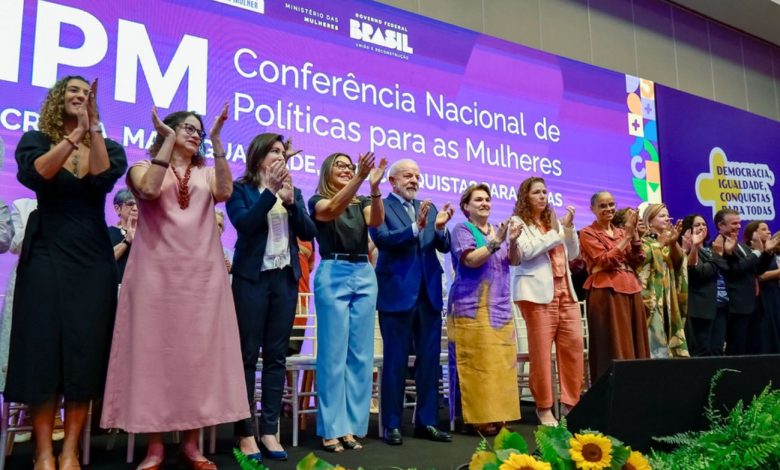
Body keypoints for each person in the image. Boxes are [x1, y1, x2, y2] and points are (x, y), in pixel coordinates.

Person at [100, 105, 248, 470]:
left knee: (196, 359)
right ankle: (155, 447)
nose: (195, 134)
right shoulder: (141, 167)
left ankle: (192, 446)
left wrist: (217, 141)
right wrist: (166, 142)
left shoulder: (206, 172)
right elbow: (150, 190)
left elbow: (225, 191)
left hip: (202, 279)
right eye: (187, 128)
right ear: (167, 130)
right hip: (155, 277)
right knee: (155, 358)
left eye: (199, 130)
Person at [6, 75, 127, 470]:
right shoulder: (35, 140)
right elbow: (39, 173)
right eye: (73, 90)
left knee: (85, 351)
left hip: (92, 257)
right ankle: (43, 450)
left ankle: (71, 448)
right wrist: (74, 136)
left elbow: (102, 177)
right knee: (42, 349)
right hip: (46, 251)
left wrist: (92, 130)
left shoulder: (108, 146)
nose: (80, 96)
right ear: (59, 99)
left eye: (86, 93)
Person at [226, 133, 317, 462]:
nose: (280, 155)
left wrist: (290, 203)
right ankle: (245, 431)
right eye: (273, 151)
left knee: (277, 357)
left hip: (284, 281)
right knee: (247, 356)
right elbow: (245, 224)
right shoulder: (241, 189)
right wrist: (270, 192)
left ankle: (269, 429)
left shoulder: (294, 191)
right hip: (252, 280)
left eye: (282, 151)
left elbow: (309, 232)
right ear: (258, 157)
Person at [368, 159, 454, 445]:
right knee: (395, 362)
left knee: (429, 363)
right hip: (397, 294)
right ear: (392, 181)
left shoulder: (428, 208)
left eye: (417, 176)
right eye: (408, 175)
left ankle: (426, 422)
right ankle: (392, 424)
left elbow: (443, 246)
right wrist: (416, 228)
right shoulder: (381, 206)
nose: (414, 180)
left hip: (429, 295)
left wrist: (440, 229)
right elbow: (382, 238)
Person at [309, 151, 386, 452]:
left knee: (361, 355)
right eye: (339, 165)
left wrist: (375, 189)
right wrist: (360, 177)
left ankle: (351, 427)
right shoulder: (317, 199)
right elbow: (330, 210)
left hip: (364, 271)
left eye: (350, 166)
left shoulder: (362, 200)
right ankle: (332, 427)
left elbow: (376, 221)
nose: (346, 169)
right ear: (327, 170)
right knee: (333, 354)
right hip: (333, 270)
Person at [447, 184, 520, 435]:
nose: (484, 203)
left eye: (487, 199)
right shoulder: (462, 229)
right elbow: (470, 260)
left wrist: (513, 242)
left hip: (500, 308)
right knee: (476, 364)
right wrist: (496, 241)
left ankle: (499, 413)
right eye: (478, 199)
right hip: (470, 307)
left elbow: (514, 261)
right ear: (466, 206)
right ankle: (477, 417)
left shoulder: (497, 230)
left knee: (500, 364)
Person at [512, 177, 583, 426]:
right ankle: (544, 407)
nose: (543, 196)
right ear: (526, 196)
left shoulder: (553, 222)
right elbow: (526, 252)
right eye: (536, 192)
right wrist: (555, 232)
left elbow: (573, 254)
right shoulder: (518, 222)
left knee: (574, 347)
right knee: (541, 354)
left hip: (566, 292)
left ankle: (570, 404)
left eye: (544, 192)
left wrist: (569, 229)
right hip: (537, 295)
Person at [578, 192, 649, 383]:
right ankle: (614, 387)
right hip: (606, 290)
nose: (608, 209)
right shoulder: (587, 232)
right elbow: (604, 260)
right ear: (592, 209)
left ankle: (638, 384)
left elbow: (637, 259)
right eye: (602, 206)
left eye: (611, 204)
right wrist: (626, 238)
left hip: (631, 287)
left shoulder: (620, 232)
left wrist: (634, 236)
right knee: (613, 342)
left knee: (636, 341)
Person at [713, 209, 777, 356]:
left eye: (739, 223)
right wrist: (757, 252)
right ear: (721, 225)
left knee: (754, 350)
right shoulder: (718, 244)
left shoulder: (741, 245)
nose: (738, 226)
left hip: (754, 306)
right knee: (738, 350)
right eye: (734, 223)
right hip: (736, 308)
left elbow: (757, 270)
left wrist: (767, 252)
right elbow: (735, 270)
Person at [637, 204, 689, 358]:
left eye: (667, 215)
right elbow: (641, 264)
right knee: (654, 340)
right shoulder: (643, 241)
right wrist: (658, 244)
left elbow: (679, 261)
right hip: (651, 298)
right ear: (649, 221)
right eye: (662, 216)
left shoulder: (669, 241)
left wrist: (672, 243)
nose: (667, 219)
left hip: (668, 297)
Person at [679, 214, 727, 356]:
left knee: (716, 349)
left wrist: (717, 255)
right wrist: (717, 255)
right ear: (688, 230)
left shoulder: (709, 250)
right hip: (699, 308)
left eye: (704, 224)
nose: (701, 227)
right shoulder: (688, 250)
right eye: (697, 225)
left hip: (718, 306)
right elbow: (700, 273)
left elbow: (725, 268)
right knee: (701, 350)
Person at [743, 221, 780, 353]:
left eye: (768, 229)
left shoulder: (771, 253)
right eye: (764, 229)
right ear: (753, 233)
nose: (769, 232)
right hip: (761, 298)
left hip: (774, 296)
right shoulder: (750, 253)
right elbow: (759, 276)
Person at [108, 188, 137, 282]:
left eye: (138, 203)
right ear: (117, 208)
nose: (135, 208)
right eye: (130, 204)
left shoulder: (148, 233)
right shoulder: (107, 233)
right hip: (117, 286)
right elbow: (104, 261)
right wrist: (127, 241)